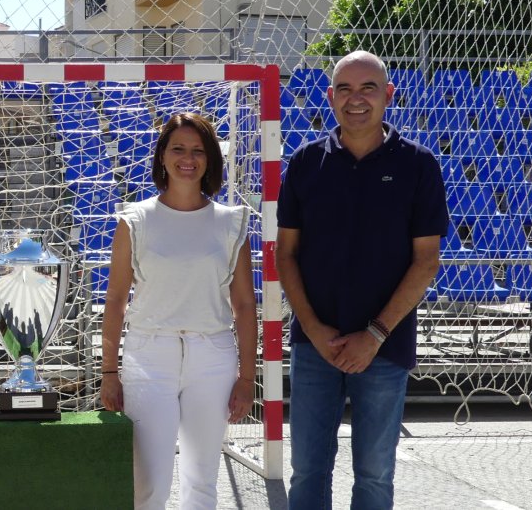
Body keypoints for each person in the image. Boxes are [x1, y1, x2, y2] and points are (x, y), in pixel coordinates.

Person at [277, 51, 448, 509]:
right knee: (308, 473)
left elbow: (426, 262)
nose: (356, 100)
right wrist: (312, 329)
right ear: (330, 97)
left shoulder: (419, 165)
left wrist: (373, 335)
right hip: (315, 348)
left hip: (384, 349)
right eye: (345, 90)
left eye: (368, 88)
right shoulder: (305, 163)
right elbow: (285, 254)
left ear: (388, 95)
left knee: (374, 477)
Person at [100, 112, 259, 510]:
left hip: (213, 356)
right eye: (178, 149)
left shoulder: (230, 223)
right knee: (150, 484)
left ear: (209, 160)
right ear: (162, 156)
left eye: (197, 150)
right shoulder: (134, 220)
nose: (188, 158)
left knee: (201, 482)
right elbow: (116, 299)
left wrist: (247, 377)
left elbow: (243, 305)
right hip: (149, 356)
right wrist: (108, 372)